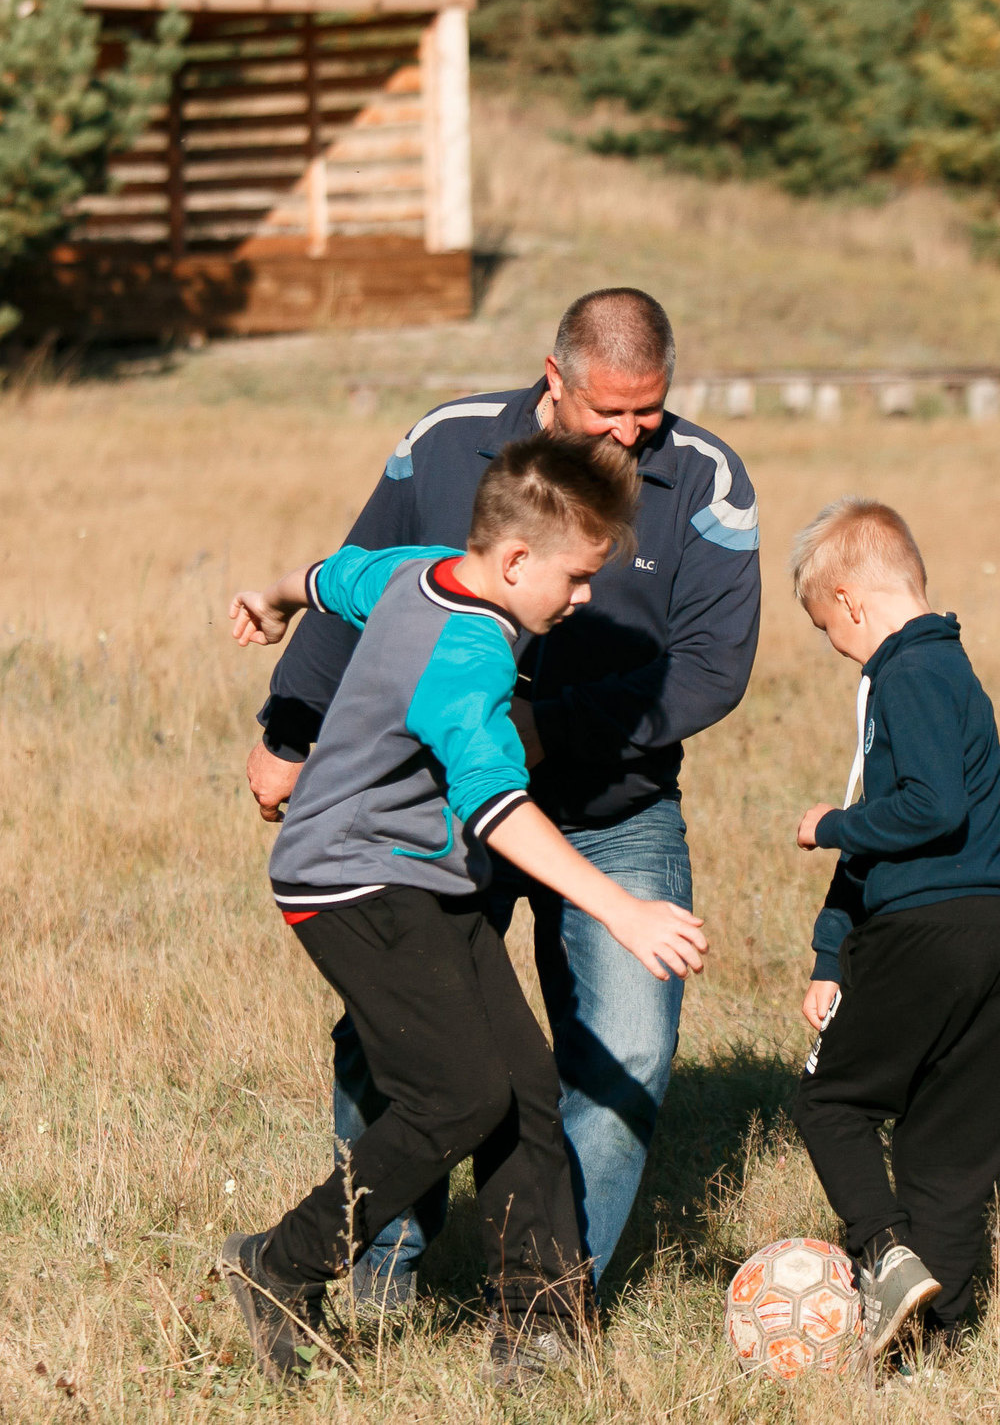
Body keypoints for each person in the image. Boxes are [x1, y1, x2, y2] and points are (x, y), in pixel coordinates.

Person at [243, 288, 759, 1302]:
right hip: (450, 813)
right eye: (608, 410)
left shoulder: (707, 480)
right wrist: (288, 727)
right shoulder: (447, 446)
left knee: (617, 1052)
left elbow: (711, 668)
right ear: (554, 378)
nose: (631, 433)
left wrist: (542, 731)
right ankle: (377, 1275)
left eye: (648, 410)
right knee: (405, 1051)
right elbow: (354, 579)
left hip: (612, 808)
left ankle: (547, 1301)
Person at [217, 433, 710, 1387]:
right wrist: (622, 909)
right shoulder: (472, 652)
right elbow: (495, 803)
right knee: (457, 1098)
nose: (584, 599)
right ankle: (280, 1263)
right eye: (577, 578)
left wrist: (270, 599)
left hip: (417, 875)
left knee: (523, 1086)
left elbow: (333, 576)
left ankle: (542, 1322)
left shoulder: (425, 568)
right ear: (516, 559)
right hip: (349, 883)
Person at [784, 498, 1000, 1366]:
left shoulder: (907, 673)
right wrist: (829, 953)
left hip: (926, 930)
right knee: (950, 1147)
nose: (837, 648)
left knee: (831, 1101)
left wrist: (830, 823)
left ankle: (885, 1254)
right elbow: (902, 821)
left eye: (827, 629)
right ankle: (935, 1345)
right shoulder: (948, 666)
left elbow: (928, 809)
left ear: (850, 602)